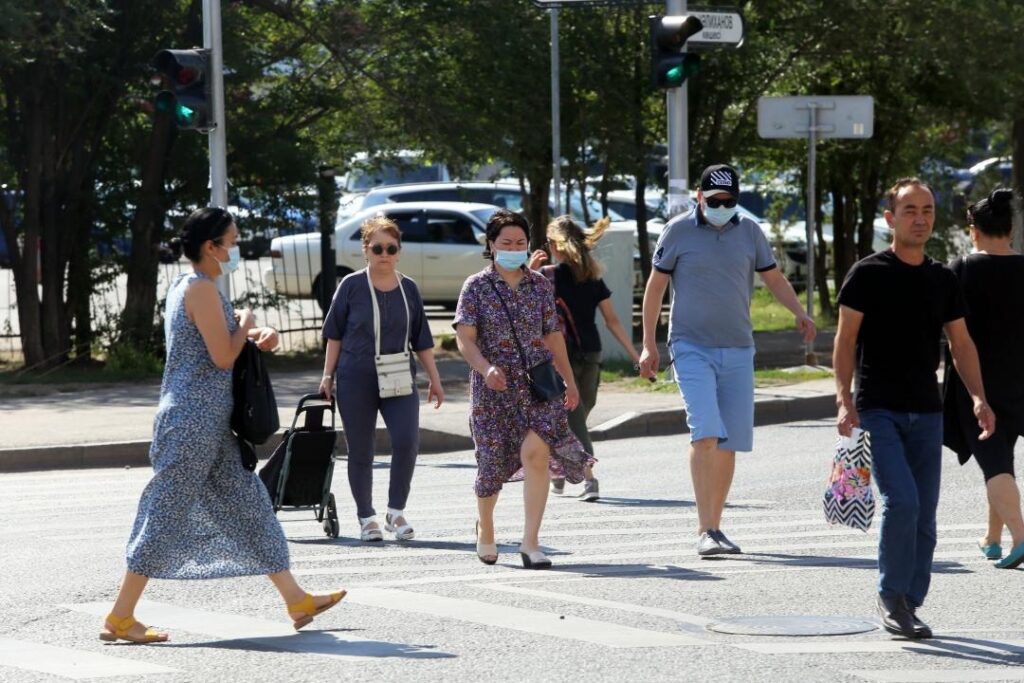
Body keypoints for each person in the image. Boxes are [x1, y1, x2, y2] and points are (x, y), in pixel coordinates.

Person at [102, 207, 344, 644]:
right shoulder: (198, 290)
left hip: (208, 423)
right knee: (166, 512)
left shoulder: (194, 286)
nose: (235, 249)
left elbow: (221, 340)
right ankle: (121, 615)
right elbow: (222, 356)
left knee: (248, 503)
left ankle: (296, 599)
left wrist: (257, 331)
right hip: (192, 421)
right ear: (210, 247)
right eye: (230, 242)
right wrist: (247, 324)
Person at [834, 178, 995, 640]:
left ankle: (910, 599)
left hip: (927, 411)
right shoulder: (867, 274)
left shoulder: (942, 278)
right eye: (909, 211)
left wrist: (979, 396)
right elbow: (844, 343)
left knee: (924, 513)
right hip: (877, 409)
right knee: (901, 501)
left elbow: (961, 345)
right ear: (890, 219)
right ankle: (892, 596)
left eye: (927, 210)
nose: (920, 218)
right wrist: (844, 399)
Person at [638, 164, 815, 557]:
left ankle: (716, 526)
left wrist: (799, 313)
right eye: (715, 200)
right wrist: (649, 345)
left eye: (729, 201)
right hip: (690, 346)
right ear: (699, 196)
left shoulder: (749, 230)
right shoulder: (679, 230)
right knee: (705, 433)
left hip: (738, 348)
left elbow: (773, 279)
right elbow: (655, 287)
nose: (722, 207)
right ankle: (705, 529)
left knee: (729, 441)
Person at [454, 209, 591, 569]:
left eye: (520, 243)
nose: (514, 248)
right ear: (491, 245)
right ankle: (486, 527)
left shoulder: (540, 285)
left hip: (537, 383)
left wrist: (569, 381)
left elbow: (552, 335)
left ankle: (530, 543)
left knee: (537, 456)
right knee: (491, 467)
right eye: (506, 243)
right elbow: (464, 339)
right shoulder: (476, 287)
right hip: (493, 388)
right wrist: (485, 368)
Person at [319, 215, 444, 542]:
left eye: (391, 247)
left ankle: (395, 511)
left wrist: (435, 379)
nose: (384, 254)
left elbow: (422, 339)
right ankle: (366, 518)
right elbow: (334, 335)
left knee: (406, 441)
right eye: (377, 248)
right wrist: (327, 376)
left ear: (399, 251)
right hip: (355, 375)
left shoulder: (409, 288)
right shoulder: (351, 286)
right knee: (361, 449)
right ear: (365, 250)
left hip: (399, 374)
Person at [528, 215, 641, 501]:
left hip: (587, 354)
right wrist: (530, 272)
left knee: (579, 413)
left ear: (556, 244)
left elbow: (613, 320)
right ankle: (590, 479)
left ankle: (559, 469)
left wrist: (635, 355)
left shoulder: (590, 277)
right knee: (575, 418)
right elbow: (525, 309)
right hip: (561, 359)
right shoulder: (546, 276)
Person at [942, 188, 1024, 570]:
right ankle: (992, 537)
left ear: (973, 230)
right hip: (1018, 380)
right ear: (1010, 229)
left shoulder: (961, 270)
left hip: (976, 383)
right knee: (1002, 456)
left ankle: (1021, 538)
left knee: (994, 463)